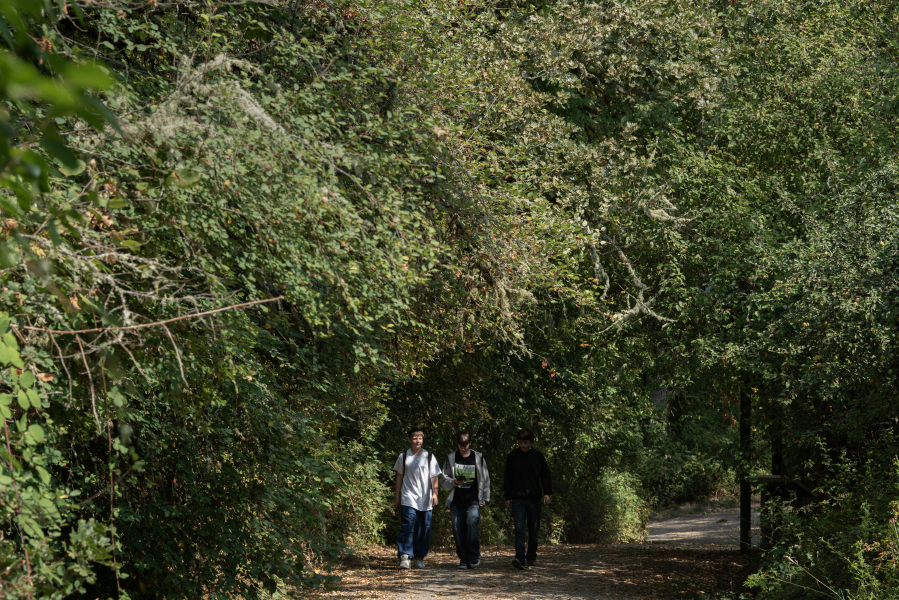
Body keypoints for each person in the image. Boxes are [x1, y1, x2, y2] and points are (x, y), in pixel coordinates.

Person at [503, 428, 552, 570]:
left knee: (533, 529)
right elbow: (508, 478)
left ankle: (531, 557)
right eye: (520, 442)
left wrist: (547, 493)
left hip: (534, 499)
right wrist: (507, 496)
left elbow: (546, 476)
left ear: (530, 442)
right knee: (519, 529)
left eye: (525, 442)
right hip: (518, 499)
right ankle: (520, 558)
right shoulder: (512, 457)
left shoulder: (538, 456)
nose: (522, 445)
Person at [441, 430, 491, 569]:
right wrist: (454, 482)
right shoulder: (451, 458)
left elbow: (485, 479)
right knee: (458, 529)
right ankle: (463, 559)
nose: (463, 448)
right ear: (457, 444)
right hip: (456, 501)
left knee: (472, 524)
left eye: (466, 445)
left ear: (470, 443)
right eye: (460, 445)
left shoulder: (478, 457)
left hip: (474, 500)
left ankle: (474, 556)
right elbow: (444, 480)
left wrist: (485, 498)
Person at [394, 427, 441, 569]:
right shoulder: (403, 456)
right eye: (415, 438)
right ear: (409, 440)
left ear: (423, 440)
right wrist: (397, 497)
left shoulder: (429, 456)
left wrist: (435, 493)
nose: (417, 441)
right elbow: (399, 477)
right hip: (408, 497)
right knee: (407, 526)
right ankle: (405, 556)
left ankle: (419, 556)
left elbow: (434, 477)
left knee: (423, 528)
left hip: (425, 499)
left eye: (420, 438)